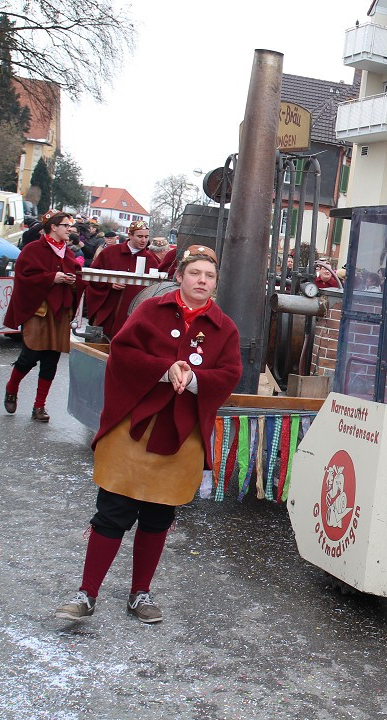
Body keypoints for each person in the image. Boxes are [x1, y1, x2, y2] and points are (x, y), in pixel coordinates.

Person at [54, 246, 242, 623]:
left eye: (209, 276)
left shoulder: (224, 328)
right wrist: (163, 369)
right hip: (134, 429)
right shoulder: (150, 311)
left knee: (158, 515)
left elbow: (229, 374)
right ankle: (86, 594)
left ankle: (140, 594)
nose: (202, 281)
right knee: (112, 513)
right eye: (195, 274)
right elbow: (122, 352)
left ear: (215, 284)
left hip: (180, 435)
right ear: (180, 277)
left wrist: (194, 381)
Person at [2, 211, 83, 422]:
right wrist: (51, 278)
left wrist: (73, 281)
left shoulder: (69, 253)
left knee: (51, 361)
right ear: (53, 227)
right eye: (65, 225)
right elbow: (23, 277)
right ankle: (12, 388)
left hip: (60, 311)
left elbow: (78, 278)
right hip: (39, 310)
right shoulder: (33, 249)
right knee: (29, 357)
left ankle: (39, 407)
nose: (69, 229)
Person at [86, 220, 161, 340]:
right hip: (108, 310)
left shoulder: (151, 260)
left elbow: (153, 290)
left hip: (131, 314)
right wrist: (109, 283)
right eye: (140, 236)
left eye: (146, 237)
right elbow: (93, 277)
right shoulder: (109, 253)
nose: (143, 240)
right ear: (130, 235)